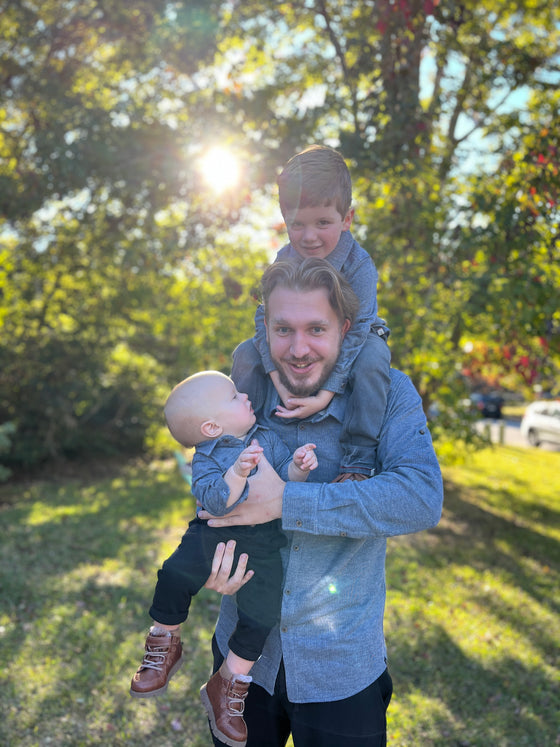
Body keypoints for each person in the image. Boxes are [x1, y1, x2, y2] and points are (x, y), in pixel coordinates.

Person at [199, 258, 444, 746]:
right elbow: (208, 486)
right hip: (241, 660)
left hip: (343, 665)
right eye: (283, 329)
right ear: (264, 328)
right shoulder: (237, 397)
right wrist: (208, 553)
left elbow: (420, 496)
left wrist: (288, 501)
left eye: (316, 328)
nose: (298, 348)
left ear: (345, 330)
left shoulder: (388, 392)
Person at [130, 371, 318, 747]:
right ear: (213, 427)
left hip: (263, 542)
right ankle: (164, 642)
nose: (244, 395)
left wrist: (298, 467)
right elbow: (213, 502)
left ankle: (229, 682)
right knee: (173, 573)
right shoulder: (207, 457)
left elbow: (284, 488)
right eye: (234, 396)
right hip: (213, 534)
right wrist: (237, 472)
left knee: (262, 609)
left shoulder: (266, 438)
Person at [234, 144, 391, 483]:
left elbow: (358, 330)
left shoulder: (359, 265)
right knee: (245, 354)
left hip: (356, 338)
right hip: (297, 336)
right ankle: (236, 447)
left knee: (374, 358)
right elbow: (265, 321)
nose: (309, 237)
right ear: (284, 220)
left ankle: (358, 462)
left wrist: (324, 395)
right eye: (297, 224)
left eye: (323, 222)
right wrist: (276, 377)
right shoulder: (284, 259)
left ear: (346, 219)